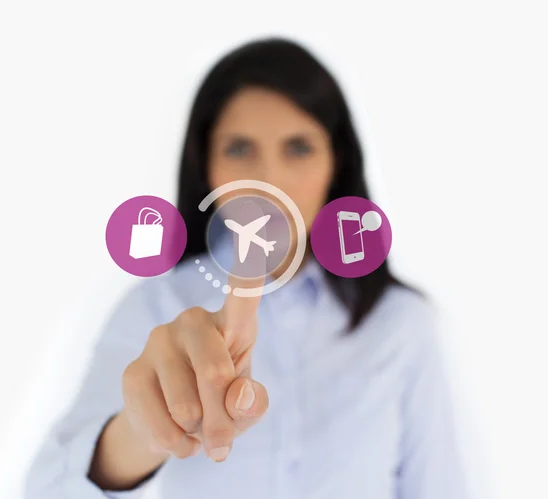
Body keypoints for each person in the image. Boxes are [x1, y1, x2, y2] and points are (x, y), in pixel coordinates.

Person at [24, 37, 466, 499]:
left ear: (336, 164)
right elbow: (45, 489)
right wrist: (143, 432)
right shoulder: (155, 307)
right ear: (206, 167)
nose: (269, 180)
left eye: (299, 148)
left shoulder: (400, 323)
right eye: (239, 149)